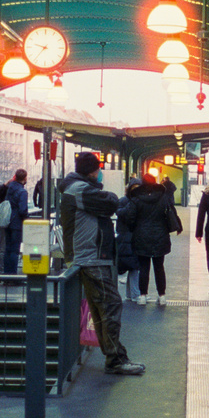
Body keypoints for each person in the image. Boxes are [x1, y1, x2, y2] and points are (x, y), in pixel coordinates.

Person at [58, 152, 144, 376]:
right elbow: (111, 203)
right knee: (111, 304)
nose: (101, 174)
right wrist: (108, 193)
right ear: (93, 170)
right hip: (90, 257)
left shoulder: (78, 187)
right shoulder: (81, 189)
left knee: (102, 307)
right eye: (99, 169)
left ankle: (113, 355)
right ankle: (115, 359)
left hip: (90, 256)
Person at [123, 174, 182, 306]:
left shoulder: (136, 198)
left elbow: (130, 218)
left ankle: (143, 295)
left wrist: (135, 229)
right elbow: (170, 213)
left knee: (144, 267)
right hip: (160, 235)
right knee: (159, 267)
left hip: (142, 235)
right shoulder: (163, 197)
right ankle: (162, 296)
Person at [116, 179, 141, 302]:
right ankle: (135, 293)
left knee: (133, 265)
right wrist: (132, 205)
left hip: (133, 236)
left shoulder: (127, 201)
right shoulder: (124, 201)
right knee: (133, 265)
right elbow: (120, 213)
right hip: (126, 237)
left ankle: (131, 293)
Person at [3, 169, 29, 278]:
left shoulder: (10, 188)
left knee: (7, 249)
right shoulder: (22, 192)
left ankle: (6, 276)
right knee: (14, 250)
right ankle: (13, 277)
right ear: (24, 178)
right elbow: (23, 210)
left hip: (7, 221)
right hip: (16, 223)